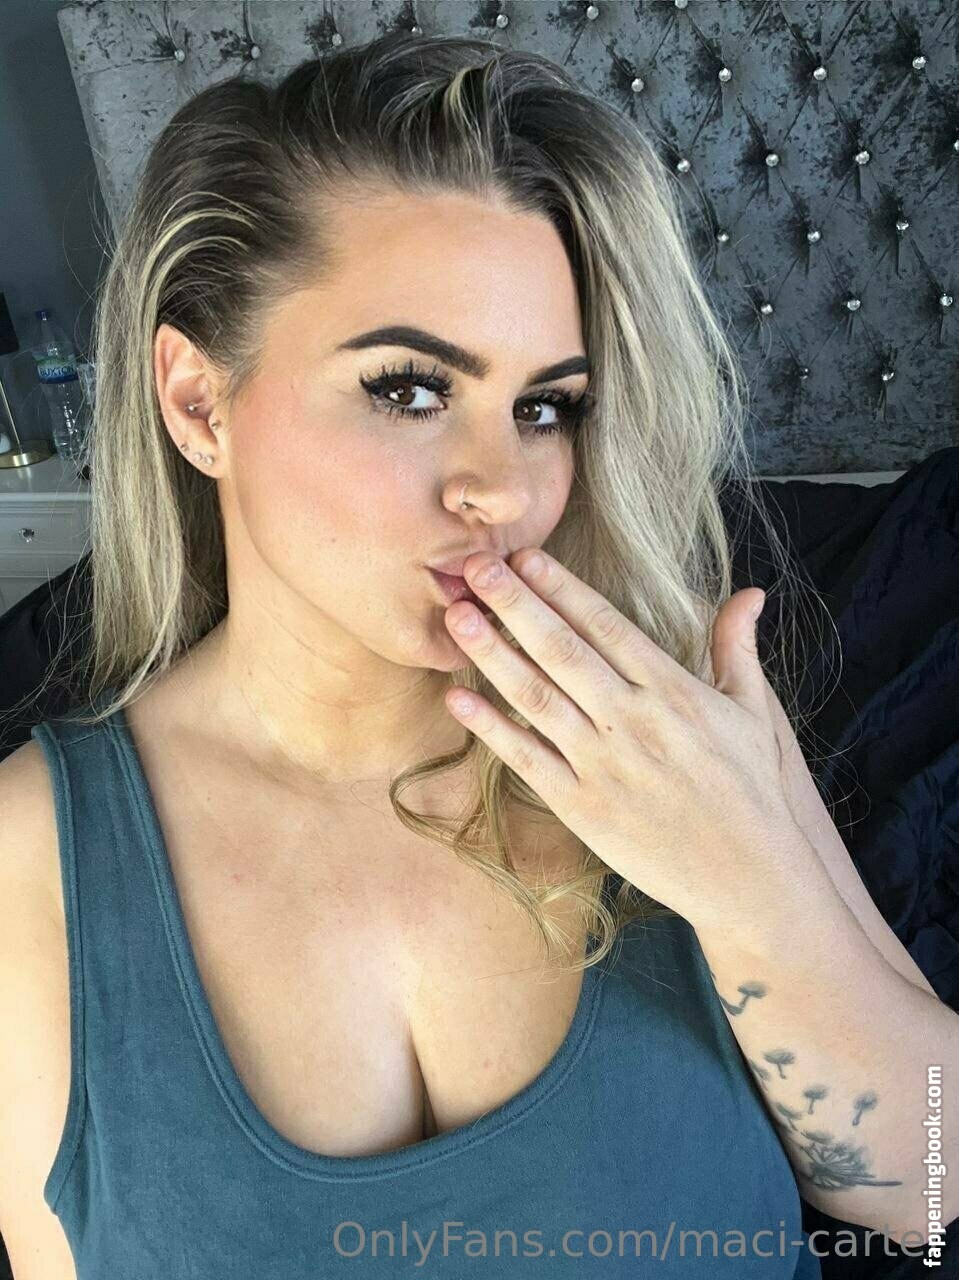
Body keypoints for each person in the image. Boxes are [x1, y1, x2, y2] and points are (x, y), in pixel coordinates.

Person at [0, 31, 854, 1280]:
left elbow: (932, 1193)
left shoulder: (679, 737)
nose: (498, 488)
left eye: (544, 407)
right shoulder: (28, 860)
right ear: (197, 401)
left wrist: (757, 890)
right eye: (407, 388)